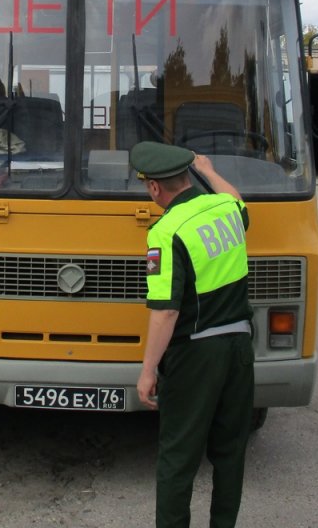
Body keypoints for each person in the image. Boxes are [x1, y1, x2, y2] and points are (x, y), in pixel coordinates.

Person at [129, 141, 253, 528]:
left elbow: (166, 310)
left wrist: (148, 371)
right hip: (239, 346)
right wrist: (211, 171)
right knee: (231, 451)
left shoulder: (166, 232)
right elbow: (237, 199)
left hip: (197, 353)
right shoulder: (224, 208)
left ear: (154, 189)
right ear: (188, 177)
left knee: (177, 457)